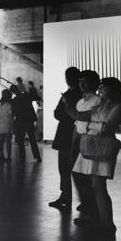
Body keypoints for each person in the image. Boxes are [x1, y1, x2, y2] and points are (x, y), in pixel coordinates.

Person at [70, 77, 121, 240]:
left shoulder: (119, 106)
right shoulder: (100, 104)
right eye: (100, 86)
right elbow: (83, 119)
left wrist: (87, 125)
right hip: (91, 144)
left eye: (104, 87)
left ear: (113, 89)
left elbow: (107, 126)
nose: (100, 89)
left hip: (102, 147)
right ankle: (102, 221)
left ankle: (107, 224)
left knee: (99, 185)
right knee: (95, 185)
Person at [63, 70, 102, 222]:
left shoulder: (98, 100)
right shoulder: (80, 102)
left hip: (92, 141)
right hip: (80, 139)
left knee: (89, 176)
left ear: (94, 83)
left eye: (84, 81)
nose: (81, 84)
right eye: (80, 81)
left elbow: (85, 117)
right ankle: (87, 205)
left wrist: (68, 108)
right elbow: (77, 125)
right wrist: (74, 144)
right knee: (78, 173)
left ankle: (92, 209)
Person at [48, 67, 82, 209]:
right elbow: (58, 113)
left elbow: (58, 113)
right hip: (72, 133)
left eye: (69, 76)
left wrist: (65, 111)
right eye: (66, 76)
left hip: (67, 134)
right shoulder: (78, 94)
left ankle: (66, 197)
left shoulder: (69, 95)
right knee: (73, 169)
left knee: (66, 168)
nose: (67, 79)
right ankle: (77, 198)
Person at [10, 84, 41, 162]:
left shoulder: (14, 100)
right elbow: (37, 98)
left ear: (12, 92)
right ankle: (37, 156)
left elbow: (13, 113)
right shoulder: (26, 95)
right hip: (29, 120)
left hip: (20, 121)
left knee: (20, 140)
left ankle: (22, 157)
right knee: (32, 139)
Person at [0, 89, 14, 163]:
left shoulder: (0, 103)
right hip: (9, 122)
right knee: (8, 141)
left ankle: (1, 155)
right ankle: (9, 156)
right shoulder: (11, 103)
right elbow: (13, 114)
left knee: (1, 141)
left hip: (1, 122)